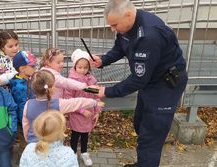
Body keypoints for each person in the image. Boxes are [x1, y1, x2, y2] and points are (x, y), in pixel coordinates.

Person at [90, 0, 188, 167]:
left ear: (128, 15)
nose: (113, 29)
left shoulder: (149, 36)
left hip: (164, 86)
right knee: (140, 123)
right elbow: (120, 47)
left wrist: (107, 91)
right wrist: (104, 60)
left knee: (151, 137)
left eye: (114, 25)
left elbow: (138, 79)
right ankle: (143, 162)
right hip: (150, 82)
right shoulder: (127, 25)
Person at [22, 70, 104, 143]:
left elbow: (26, 125)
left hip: (33, 144)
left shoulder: (28, 104)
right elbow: (77, 102)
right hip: (53, 144)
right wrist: (95, 102)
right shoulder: (59, 104)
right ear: (51, 88)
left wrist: (27, 138)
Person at [64, 49, 102, 166]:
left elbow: (97, 97)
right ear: (75, 66)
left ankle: (84, 152)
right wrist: (81, 110)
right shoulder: (71, 81)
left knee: (85, 134)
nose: (83, 70)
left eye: (85, 67)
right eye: (80, 67)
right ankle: (73, 153)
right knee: (75, 135)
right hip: (77, 113)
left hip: (89, 114)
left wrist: (97, 111)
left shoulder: (91, 80)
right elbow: (69, 100)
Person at [9, 50, 37, 153]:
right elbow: (22, 107)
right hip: (25, 122)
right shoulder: (19, 86)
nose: (35, 68)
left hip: (29, 119)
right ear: (22, 69)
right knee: (26, 145)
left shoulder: (27, 79)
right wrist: (27, 122)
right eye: (33, 66)